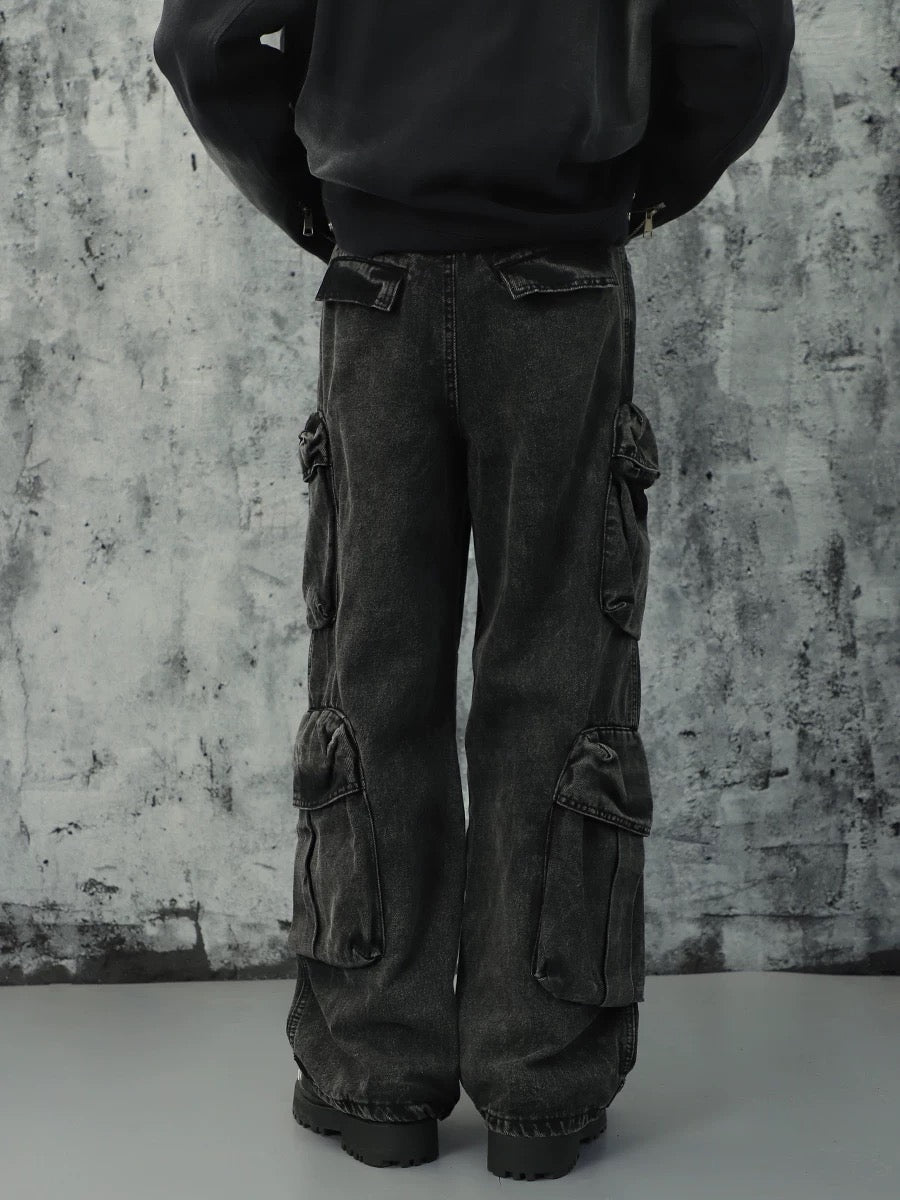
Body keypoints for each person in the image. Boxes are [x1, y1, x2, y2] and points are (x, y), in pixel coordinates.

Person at [152, 0, 795, 1180]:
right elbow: (740, 34)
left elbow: (201, 38)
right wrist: (631, 192)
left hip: (376, 285)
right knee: (557, 672)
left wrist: (320, 202)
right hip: (564, 281)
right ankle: (537, 1087)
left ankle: (376, 1078)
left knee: (371, 670)